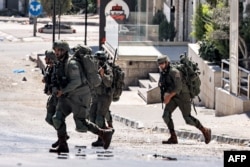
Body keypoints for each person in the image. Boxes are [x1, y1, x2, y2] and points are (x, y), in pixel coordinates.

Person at [50, 40, 114, 153]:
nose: (56, 53)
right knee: (57, 118)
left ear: (63, 51)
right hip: (68, 96)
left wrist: (63, 91)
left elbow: (76, 82)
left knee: (81, 124)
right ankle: (63, 145)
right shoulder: (61, 63)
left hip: (80, 96)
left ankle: (104, 133)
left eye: (58, 51)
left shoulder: (72, 64)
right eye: (55, 51)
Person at [157, 55, 211, 144]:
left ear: (167, 62)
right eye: (159, 64)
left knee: (188, 119)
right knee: (166, 115)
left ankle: (205, 130)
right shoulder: (164, 72)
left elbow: (178, 88)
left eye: (162, 63)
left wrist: (168, 97)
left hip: (183, 96)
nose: (161, 65)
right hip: (174, 96)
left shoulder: (174, 72)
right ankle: (173, 137)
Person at [42, 50, 70, 149]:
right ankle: (62, 136)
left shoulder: (58, 68)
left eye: (47, 57)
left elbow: (61, 81)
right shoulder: (49, 68)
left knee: (57, 119)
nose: (45, 59)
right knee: (49, 119)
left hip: (60, 97)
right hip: (53, 96)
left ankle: (62, 140)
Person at [89, 50, 114, 147]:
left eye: (97, 59)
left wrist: (103, 75)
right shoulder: (94, 69)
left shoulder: (107, 69)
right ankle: (107, 131)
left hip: (105, 97)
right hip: (96, 96)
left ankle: (102, 138)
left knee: (99, 118)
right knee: (92, 117)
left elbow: (109, 82)